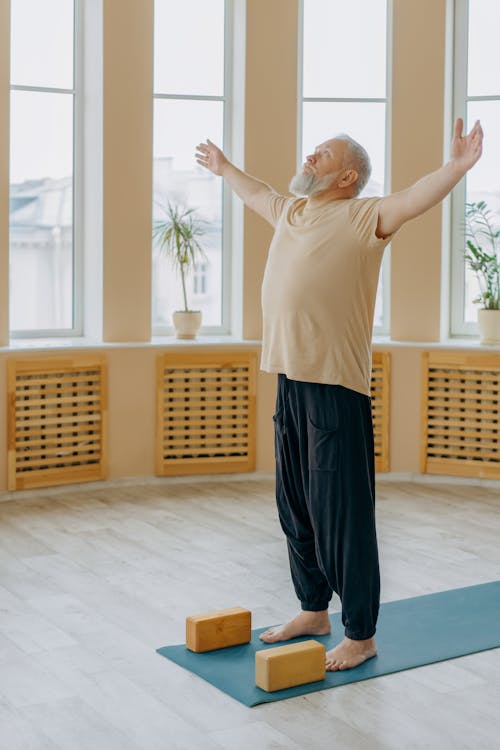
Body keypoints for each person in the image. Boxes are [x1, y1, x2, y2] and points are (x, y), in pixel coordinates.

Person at [195, 118, 483, 671]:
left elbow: (412, 200)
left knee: (341, 513)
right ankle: (313, 609)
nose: (311, 157)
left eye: (322, 155)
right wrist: (225, 167)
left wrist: (455, 168)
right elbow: (256, 192)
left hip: (335, 387)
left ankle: (360, 632)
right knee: (295, 504)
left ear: (348, 175)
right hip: (290, 379)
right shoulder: (293, 212)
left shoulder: (361, 216)